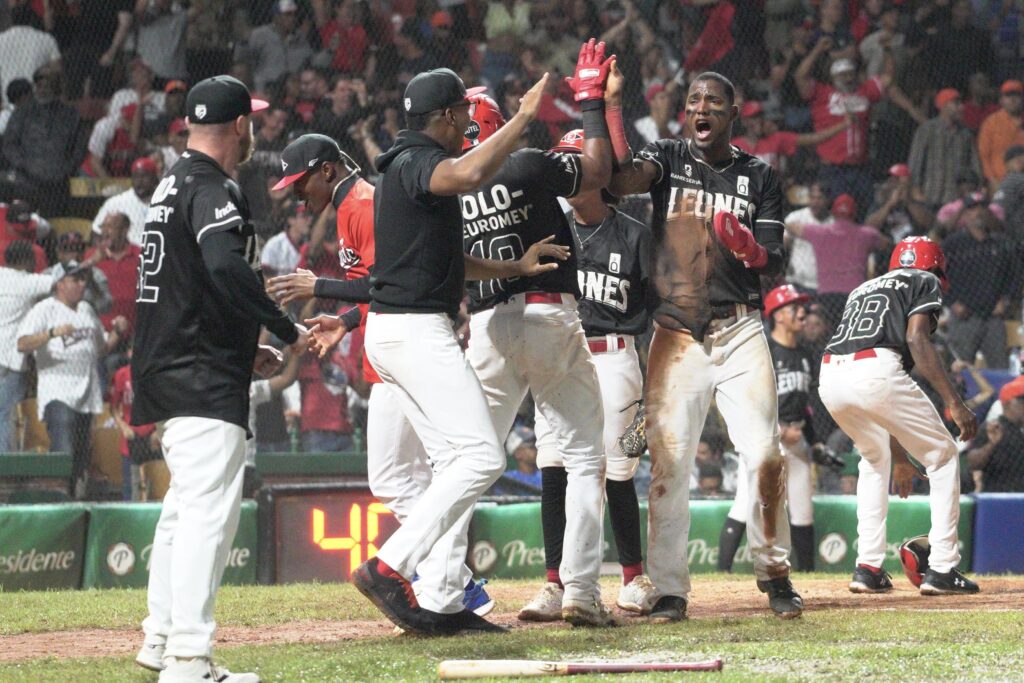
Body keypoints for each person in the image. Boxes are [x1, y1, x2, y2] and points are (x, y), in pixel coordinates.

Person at [130, 75, 308, 683]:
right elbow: (225, 268)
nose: (253, 126)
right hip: (199, 374)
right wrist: (284, 329)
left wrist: (243, 342)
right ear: (240, 126)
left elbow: (197, 284)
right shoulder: (212, 186)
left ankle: (160, 641)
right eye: (251, 118)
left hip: (175, 363)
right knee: (208, 517)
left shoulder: (170, 184)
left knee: (184, 511)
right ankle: (189, 660)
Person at [609, 71, 803, 620]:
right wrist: (613, 105)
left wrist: (749, 251)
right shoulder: (668, 157)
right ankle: (670, 589)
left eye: (714, 101)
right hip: (675, 334)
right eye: (694, 100)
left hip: (740, 329)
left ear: (732, 112)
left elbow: (774, 257)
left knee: (765, 454)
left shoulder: (759, 175)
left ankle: (776, 573)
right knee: (669, 464)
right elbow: (622, 180)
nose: (701, 107)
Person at [461, 43, 620, 628]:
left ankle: (442, 584)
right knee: (582, 456)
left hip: (485, 326)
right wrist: (590, 102)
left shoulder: (448, 184)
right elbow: (599, 172)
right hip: (548, 314)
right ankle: (579, 590)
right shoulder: (524, 162)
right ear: (497, 127)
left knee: (468, 459)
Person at [519, 124, 657, 622]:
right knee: (553, 467)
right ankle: (555, 583)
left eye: (575, 164)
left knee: (617, 471)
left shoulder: (636, 234)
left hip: (617, 356)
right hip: (558, 354)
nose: (568, 174)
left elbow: (656, 310)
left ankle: (632, 576)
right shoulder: (546, 231)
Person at [817, 236, 980, 595]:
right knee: (943, 455)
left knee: (874, 459)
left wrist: (900, 454)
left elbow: (879, 396)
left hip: (831, 374)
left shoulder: (863, 287)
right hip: (876, 369)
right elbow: (917, 340)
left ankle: (868, 568)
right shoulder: (925, 280)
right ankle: (941, 568)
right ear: (935, 267)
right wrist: (954, 401)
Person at [717, 285, 838, 573]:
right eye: (794, 307)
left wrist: (816, 442)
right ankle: (721, 573)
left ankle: (808, 574)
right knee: (746, 501)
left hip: (796, 441)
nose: (803, 313)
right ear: (778, 316)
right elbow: (748, 397)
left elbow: (805, 407)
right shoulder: (765, 352)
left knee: (802, 508)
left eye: (802, 307)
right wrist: (780, 429)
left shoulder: (806, 354)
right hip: (764, 437)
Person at [16, 262, 128, 498]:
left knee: (80, 460)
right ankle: (61, 507)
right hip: (59, 395)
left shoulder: (86, 309)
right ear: (59, 284)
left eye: (83, 278)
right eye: (75, 279)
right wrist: (50, 333)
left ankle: (74, 504)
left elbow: (102, 349)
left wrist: (117, 332)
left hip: (87, 397)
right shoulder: (45, 309)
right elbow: (22, 343)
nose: (82, 283)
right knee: (64, 455)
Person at [785, 194, 888, 328]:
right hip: (856, 296)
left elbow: (791, 226)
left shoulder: (821, 232)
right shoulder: (865, 234)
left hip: (827, 297)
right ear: (854, 213)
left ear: (832, 212)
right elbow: (887, 244)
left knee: (829, 332)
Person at [941, 203, 1017, 368]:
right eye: (972, 209)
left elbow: (1015, 275)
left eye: (981, 209)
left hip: (993, 318)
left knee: (1000, 369)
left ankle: (998, 395)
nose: (978, 214)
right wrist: (951, 302)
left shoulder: (1001, 243)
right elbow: (936, 275)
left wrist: (1006, 300)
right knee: (959, 371)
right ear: (965, 215)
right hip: (964, 317)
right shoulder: (953, 244)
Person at [0, 240, 51, 451]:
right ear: (24, 260)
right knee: (6, 412)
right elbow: (60, 282)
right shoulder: (27, 281)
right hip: (10, 358)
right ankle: (4, 465)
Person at [968, 378, 1024, 492]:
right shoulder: (993, 428)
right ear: (1007, 403)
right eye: (1022, 402)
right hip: (997, 497)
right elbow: (973, 463)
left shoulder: (1020, 432)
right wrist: (991, 445)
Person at [92, 157, 160, 246]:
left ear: (155, 179)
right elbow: (96, 233)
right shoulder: (116, 203)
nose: (140, 181)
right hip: (126, 255)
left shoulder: (165, 201)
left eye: (144, 176)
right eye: (136, 177)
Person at [783, 181, 831, 293]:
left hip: (823, 285)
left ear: (828, 200)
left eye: (820, 198)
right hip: (796, 282)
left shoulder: (833, 222)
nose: (815, 202)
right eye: (812, 198)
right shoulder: (796, 217)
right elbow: (783, 243)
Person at [978, 80, 1024, 190]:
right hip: (999, 184)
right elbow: (983, 157)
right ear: (1001, 100)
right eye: (1008, 96)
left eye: (1017, 95)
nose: (1013, 99)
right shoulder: (990, 123)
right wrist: (992, 181)